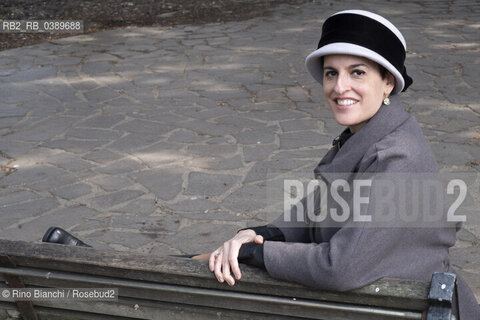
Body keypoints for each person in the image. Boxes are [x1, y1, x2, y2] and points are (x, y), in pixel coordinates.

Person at [204, 10, 480, 319]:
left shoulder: (398, 157)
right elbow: (317, 211)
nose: (339, 87)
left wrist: (258, 252)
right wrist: (258, 234)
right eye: (331, 72)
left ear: (388, 81)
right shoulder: (366, 137)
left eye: (357, 72)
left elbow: (341, 267)